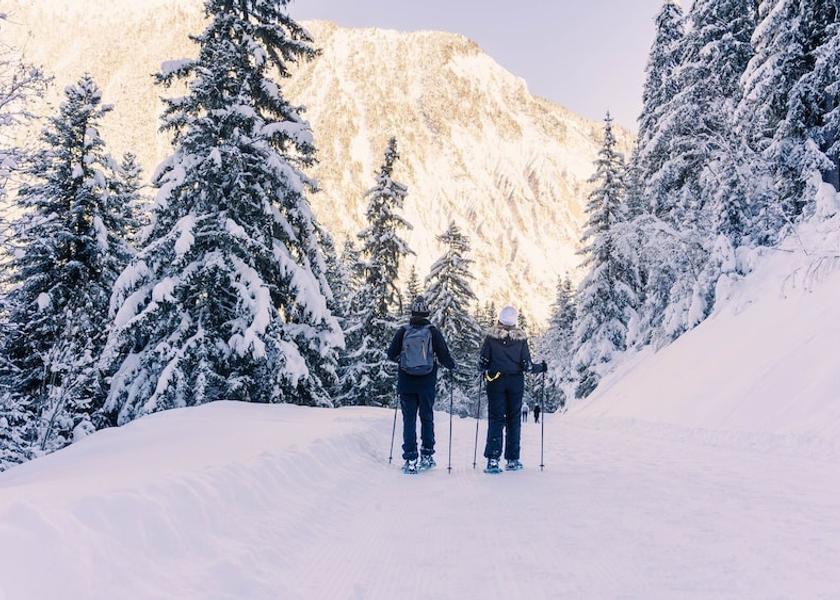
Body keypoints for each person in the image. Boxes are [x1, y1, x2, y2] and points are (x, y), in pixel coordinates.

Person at [387, 296, 456, 474]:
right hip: (426, 382)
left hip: (406, 383)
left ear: (412, 313)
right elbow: (444, 357)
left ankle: (410, 459)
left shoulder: (403, 331)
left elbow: (390, 354)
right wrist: (450, 366)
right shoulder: (433, 331)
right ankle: (427, 455)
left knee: (408, 420)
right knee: (427, 418)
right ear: (427, 313)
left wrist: (403, 362)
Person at [479, 305, 547, 473]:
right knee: (513, 419)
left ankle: (493, 460)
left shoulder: (491, 338)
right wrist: (542, 367)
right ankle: (512, 459)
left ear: (500, 320)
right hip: (515, 382)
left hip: (495, 381)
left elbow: (482, 363)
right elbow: (528, 366)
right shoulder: (521, 340)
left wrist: (485, 368)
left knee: (496, 418)